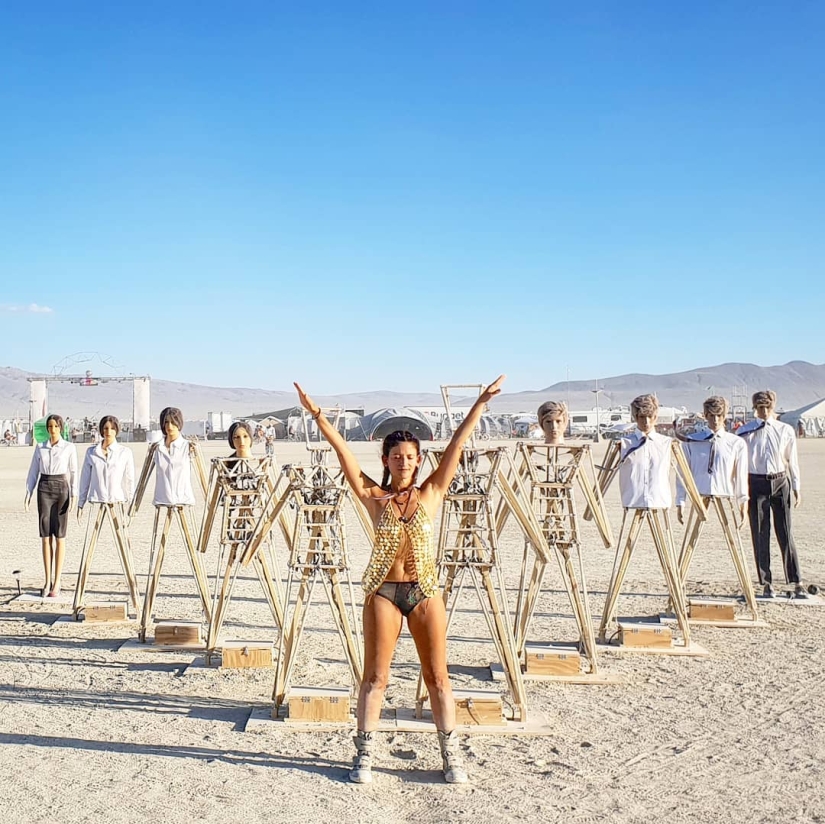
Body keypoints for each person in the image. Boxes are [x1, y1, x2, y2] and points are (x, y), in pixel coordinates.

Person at [294, 375, 506, 785]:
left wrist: (480, 403)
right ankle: (364, 755)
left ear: (419, 460)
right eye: (396, 457)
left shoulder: (431, 493)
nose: (403, 462)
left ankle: (451, 755)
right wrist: (317, 415)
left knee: (438, 677)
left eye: (410, 457)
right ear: (386, 460)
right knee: (375, 677)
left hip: (424, 591)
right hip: (384, 593)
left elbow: (457, 445)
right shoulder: (375, 497)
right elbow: (344, 455)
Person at [737, 390, 805, 598]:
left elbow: (792, 459)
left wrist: (796, 486)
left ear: (773, 407)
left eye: (768, 407)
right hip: (756, 482)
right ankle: (766, 582)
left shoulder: (785, 430)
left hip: (780, 481)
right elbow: (739, 462)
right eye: (760, 407)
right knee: (760, 533)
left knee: (785, 531)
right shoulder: (745, 432)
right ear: (755, 408)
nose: (764, 411)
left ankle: (796, 580)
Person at [24, 413, 78, 598]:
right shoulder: (40, 447)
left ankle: (57, 581)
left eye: (56, 426)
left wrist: (74, 493)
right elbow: (33, 471)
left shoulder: (69, 447)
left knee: (60, 536)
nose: (52, 429)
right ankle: (47, 580)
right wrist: (28, 492)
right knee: (45, 536)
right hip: (44, 488)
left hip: (61, 488)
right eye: (50, 426)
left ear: (61, 428)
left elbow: (74, 471)